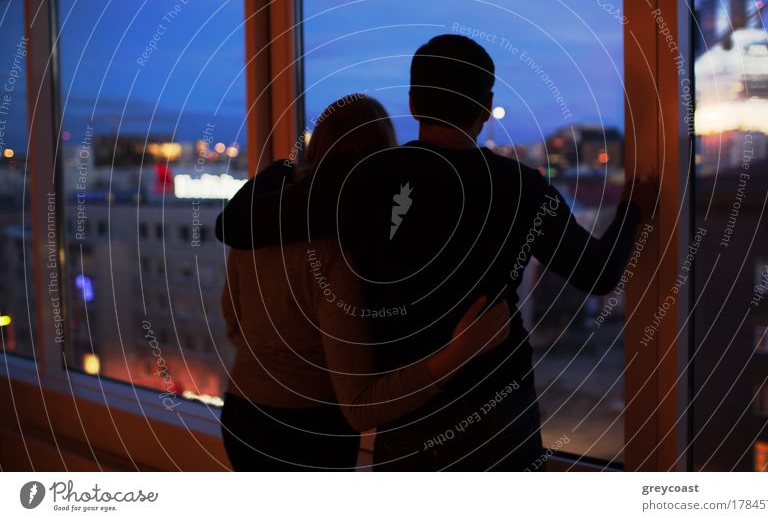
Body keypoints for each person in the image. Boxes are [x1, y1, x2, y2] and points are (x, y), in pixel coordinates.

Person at [216, 35, 658, 471]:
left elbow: (236, 223)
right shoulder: (522, 187)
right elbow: (598, 275)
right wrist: (632, 212)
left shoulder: (363, 180)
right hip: (499, 412)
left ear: (412, 102)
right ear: (486, 108)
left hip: (406, 418)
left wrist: (288, 170)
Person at [219, 93, 511, 471]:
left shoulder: (257, 225)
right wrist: (461, 352)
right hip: (306, 431)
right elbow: (359, 406)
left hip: (240, 414)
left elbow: (232, 319)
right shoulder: (337, 249)